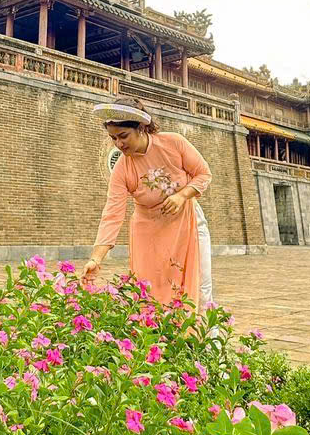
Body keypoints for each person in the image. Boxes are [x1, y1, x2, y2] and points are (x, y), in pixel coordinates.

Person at [82, 99, 212, 310]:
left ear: (141, 128)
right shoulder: (122, 169)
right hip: (149, 235)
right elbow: (112, 214)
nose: (119, 144)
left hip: (188, 224)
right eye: (113, 138)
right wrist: (95, 259)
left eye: (123, 136)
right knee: (150, 294)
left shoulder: (173, 143)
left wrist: (182, 196)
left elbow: (203, 174)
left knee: (199, 288)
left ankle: (199, 331)